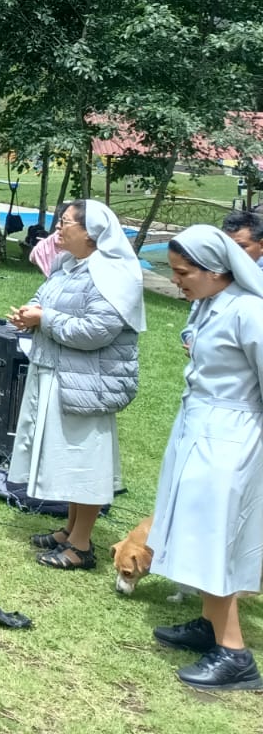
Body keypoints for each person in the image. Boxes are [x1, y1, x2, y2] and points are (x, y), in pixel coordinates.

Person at [144, 227, 263, 691]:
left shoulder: (250, 312)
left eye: (183, 272)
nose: (176, 281)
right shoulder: (208, 304)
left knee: (216, 536)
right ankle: (211, 624)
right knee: (192, 528)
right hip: (198, 424)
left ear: (216, 270)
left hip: (232, 435)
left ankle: (235, 653)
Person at [7, 199, 144, 571]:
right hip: (58, 372)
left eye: (66, 222)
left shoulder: (113, 274)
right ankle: (70, 530)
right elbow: (44, 299)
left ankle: (81, 546)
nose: (58, 228)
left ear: (91, 232)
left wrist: (44, 319)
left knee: (85, 463)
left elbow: (97, 330)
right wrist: (28, 314)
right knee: (67, 458)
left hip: (87, 382)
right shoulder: (67, 263)